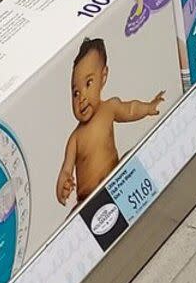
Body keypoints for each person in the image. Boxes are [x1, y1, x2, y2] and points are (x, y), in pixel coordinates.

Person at [56, 38, 166, 206]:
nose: (81, 97)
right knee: (76, 219)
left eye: (88, 83)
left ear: (103, 77)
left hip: (117, 183)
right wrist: (63, 186)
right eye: (75, 93)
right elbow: (66, 169)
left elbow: (130, 109)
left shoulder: (109, 108)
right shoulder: (75, 139)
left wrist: (148, 108)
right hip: (88, 200)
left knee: (130, 157)